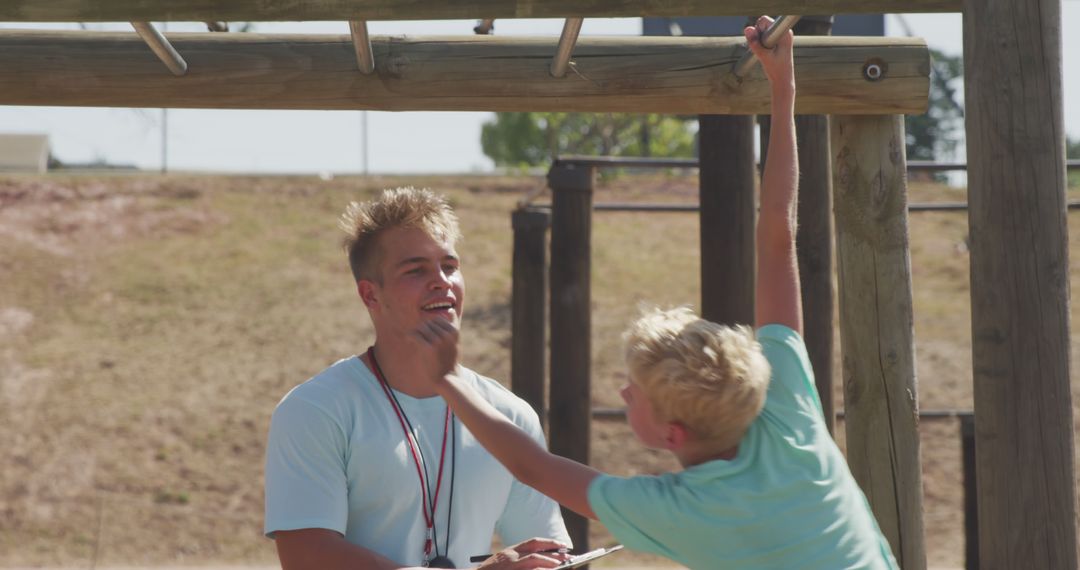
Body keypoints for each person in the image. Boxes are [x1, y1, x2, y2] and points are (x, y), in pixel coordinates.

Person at [408, 17, 900, 570]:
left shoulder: (685, 508)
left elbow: (533, 468)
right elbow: (778, 238)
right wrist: (784, 90)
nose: (623, 392)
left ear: (672, 432)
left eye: (635, 391)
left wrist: (445, 378)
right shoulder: (785, 408)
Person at [263, 187, 571, 569]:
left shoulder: (511, 414)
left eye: (450, 265)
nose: (442, 281)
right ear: (370, 295)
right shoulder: (315, 409)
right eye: (416, 270)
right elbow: (308, 559)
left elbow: (550, 552)